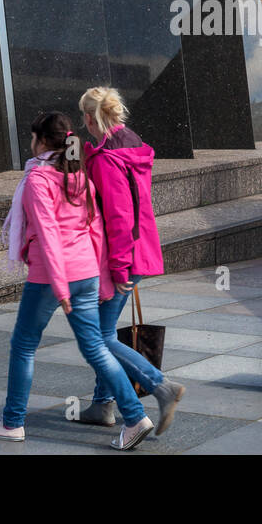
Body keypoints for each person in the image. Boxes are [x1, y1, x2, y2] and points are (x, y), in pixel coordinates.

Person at [0, 111, 155, 451]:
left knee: (24, 345)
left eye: (33, 137)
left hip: (50, 277)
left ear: (43, 141)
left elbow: (48, 236)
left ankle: (12, 423)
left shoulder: (37, 180)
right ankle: (135, 418)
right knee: (96, 347)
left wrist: (59, 287)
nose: (30, 143)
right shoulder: (79, 175)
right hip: (86, 272)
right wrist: (101, 280)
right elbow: (95, 227)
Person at [75, 86, 187, 436]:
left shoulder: (107, 158)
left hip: (122, 256)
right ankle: (102, 403)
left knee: (99, 337)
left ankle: (161, 387)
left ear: (90, 118)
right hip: (138, 249)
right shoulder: (131, 143)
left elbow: (120, 214)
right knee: (103, 331)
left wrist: (121, 267)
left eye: (83, 117)